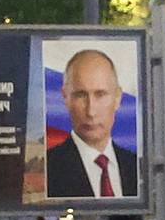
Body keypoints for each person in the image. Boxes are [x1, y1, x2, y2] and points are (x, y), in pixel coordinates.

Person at [45, 49, 139, 198]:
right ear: (65, 97)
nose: (91, 111)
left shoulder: (136, 167)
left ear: (118, 98)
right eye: (80, 95)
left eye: (100, 95)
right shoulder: (47, 170)